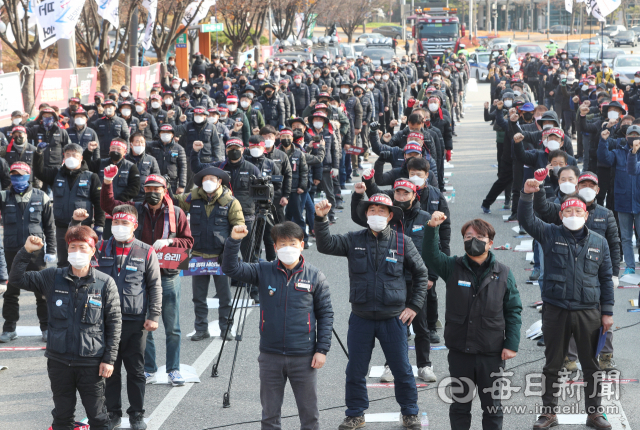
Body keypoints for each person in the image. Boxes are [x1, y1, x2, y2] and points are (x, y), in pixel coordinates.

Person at [315, 195, 429, 430]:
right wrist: (321, 218)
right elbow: (325, 245)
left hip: (393, 319)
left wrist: (414, 306)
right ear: (366, 215)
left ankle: (410, 412)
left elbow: (421, 274)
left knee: (402, 369)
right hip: (361, 317)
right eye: (372, 210)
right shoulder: (353, 239)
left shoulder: (402, 241)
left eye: (381, 211)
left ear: (390, 216)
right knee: (355, 370)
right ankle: (355, 414)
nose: (376, 214)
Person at [519, 182, 614, 430]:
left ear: (587, 215)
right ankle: (548, 413)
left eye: (578, 212)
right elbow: (527, 220)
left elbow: (605, 278)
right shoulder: (550, 234)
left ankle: (594, 413)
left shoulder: (599, 242)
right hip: (556, 309)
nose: (573, 216)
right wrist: (527, 194)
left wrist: (608, 313)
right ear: (561, 215)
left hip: (589, 312)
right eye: (568, 212)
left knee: (591, 365)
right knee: (552, 364)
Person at [222, 221, 333, 430]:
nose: (288, 248)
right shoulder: (263, 270)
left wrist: (322, 350)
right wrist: (234, 241)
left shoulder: (316, 276)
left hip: (304, 357)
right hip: (270, 356)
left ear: (302, 244)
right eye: (282, 244)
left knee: (310, 416)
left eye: (292, 243)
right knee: (269, 416)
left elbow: (326, 315)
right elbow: (231, 268)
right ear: (275, 247)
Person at [9, 228, 122, 430]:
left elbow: (114, 323)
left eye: (82, 247)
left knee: (98, 418)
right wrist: (26, 251)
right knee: (62, 417)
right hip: (59, 361)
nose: (77, 251)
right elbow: (17, 279)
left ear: (92, 250)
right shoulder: (52, 277)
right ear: (67, 250)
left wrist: (109, 359)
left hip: (91, 363)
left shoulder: (105, 283)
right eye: (72, 247)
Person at [423, 214, 522, 430]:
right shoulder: (452, 267)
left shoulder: (504, 273)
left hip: (492, 353)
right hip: (460, 351)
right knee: (460, 405)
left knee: (492, 406)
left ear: (490, 243)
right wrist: (432, 228)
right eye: (468, 236)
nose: (473, 240)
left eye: (479, 236)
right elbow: (430, 256)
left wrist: (511, 344)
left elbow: (513, 310)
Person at [71, 206, 162, 430]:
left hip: (134, 320)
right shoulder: (100, 247)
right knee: (108, 368)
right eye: (116, 223)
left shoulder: (146, 251)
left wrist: (154, 315)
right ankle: (112, 412)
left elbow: (155, 286)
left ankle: (137, 414)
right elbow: (80, 260)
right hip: (103, 320)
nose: (119, 228)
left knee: (136, 370)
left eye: (124, 223)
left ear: (134, 225)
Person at [100, 171, 194, 387]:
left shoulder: (177, 213)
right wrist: (107, 182)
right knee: (146, 324)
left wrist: (170, 243)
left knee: (172, 326)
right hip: (140, 275)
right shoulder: (136, 210)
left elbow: (188, 242)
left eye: (157, 189)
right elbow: (109, 206)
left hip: (168, 275)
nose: (152, 193)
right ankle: (149, 368)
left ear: (165, 191)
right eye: (149, 189)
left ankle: (173, 369)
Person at [351, 179, 438, 383]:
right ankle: (391, 365)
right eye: (397, 193)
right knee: (395, 327)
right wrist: (358, 195)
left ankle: (424, 365)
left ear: (413, 195)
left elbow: (435, 247)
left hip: (417, 281)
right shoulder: (385, 216)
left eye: (405, 193)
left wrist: (432, 276)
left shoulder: (425, 218)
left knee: (420, 325)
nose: (400, 197)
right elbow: (358, 216)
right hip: (391, 281)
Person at [171, 166, 244, 341]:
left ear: (220, 182)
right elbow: (171, 201)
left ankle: (226, 329)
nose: (208, 182)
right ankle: (201, 329)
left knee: (225, 297)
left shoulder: (231, 202)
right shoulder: (191, 198)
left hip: (221, 257)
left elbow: (239, 228)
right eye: (205, 179)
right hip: (198, 255)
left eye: (212, 179)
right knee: (198, 297)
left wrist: (229, 252)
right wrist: (166, 187)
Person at [0, 162, 55, 344]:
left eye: (21, 174)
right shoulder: (3, 196)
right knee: (11, 292)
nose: (18, 178)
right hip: (11, 251)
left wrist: (52, 250)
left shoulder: (42, 197)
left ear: (29, 175)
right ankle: (9, 329)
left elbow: (50, 227)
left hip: (36, 253)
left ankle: (46, 328)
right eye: (14, 174)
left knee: (42, 292)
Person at [33, 143, 105, 267]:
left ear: (81, 158)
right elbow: (39, 172)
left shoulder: (91, 177)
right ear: (63, 157)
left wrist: (99, 224)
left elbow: (99, 202)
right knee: (63, 261)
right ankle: (63, 285)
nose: (71, 157)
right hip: (62, 227)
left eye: (74, 155)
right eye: (68, 155)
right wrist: (38, 154)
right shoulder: (56, 173)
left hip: (83, 226)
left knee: (82, 259)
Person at [85, 138, 141, 239]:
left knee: (122, 236)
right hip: (103, 210)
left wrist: (116, 201)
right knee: (105, 238)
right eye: (113, 148)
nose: (115, 151)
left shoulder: (131, 167)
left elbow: (135, 188)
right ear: (109, 150)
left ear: (125, 151)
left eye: (118, 149)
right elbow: (85, 167)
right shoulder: (99, 163)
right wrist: (88, 152)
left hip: (122, 209)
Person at [151, 124, 187, 194]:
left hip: (171, 183)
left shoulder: (179, 148)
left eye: (168, 132)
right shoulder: (152, 146)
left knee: (170, 203)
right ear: (159, 134)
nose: (165, 134)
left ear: (172, 134)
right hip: (155, 181)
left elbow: (183, 167)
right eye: (163, 132)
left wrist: (182, 185)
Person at [126, 132, 161, 202]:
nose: (140, 144)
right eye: (137, 142)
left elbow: (157, 178)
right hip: (127, 196)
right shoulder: (124, 159)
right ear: (131, 144)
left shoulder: (151, 160)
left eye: (142, 142)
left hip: (144, 197)